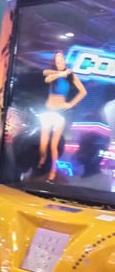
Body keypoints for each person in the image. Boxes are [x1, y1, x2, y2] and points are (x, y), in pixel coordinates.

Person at [39, 50, 86, 181]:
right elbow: (46, 77)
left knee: (54, 145)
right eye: (57, 61)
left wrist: (71, 104)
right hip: (48, 111)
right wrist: (61, 74)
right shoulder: (52, 73)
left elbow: (83, 92)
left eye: (61, 60)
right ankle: (42, 160)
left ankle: (53, 171)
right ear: (54, 62)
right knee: (43, 142)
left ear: (65, 61)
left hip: (60, 113)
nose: (60, 62)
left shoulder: (71, 76)